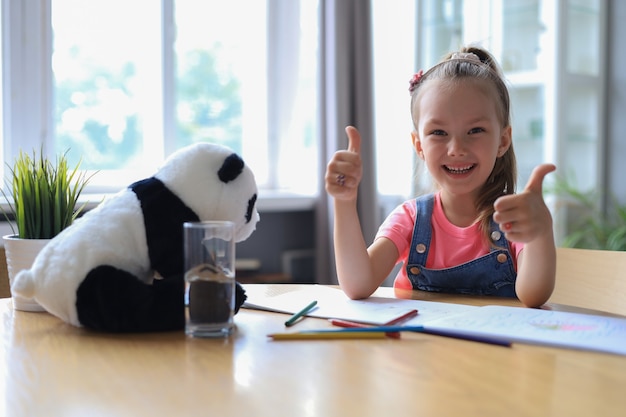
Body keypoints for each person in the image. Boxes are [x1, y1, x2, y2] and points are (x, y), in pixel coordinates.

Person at [325, 46, 556, 308]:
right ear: (419, 145)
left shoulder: (514, 218)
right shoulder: (410, 219)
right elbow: (358, 284)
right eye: (438, 132)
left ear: (503, 140)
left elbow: (534, 295)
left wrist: (540, 232)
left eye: (475, 130)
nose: (456, 149)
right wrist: (344, 202)